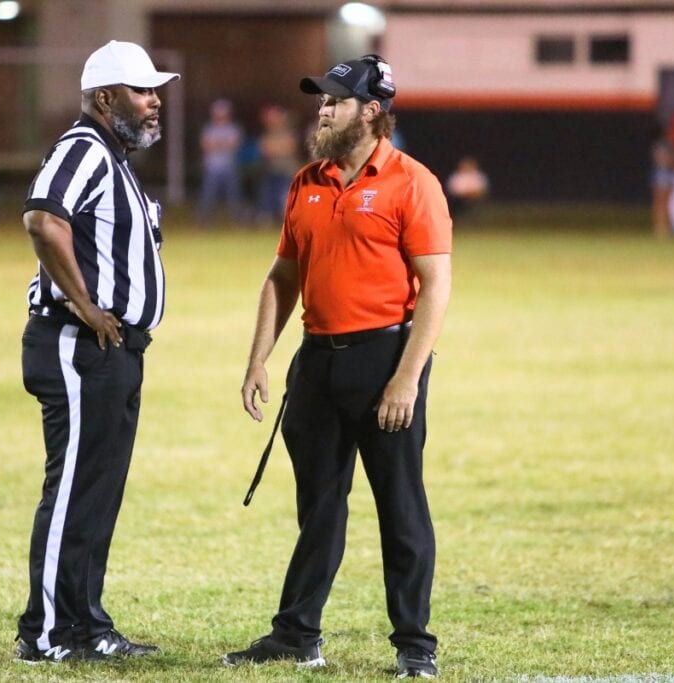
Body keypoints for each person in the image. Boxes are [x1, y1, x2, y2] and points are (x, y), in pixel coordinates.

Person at [224, 54, 453, 680]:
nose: (321, 108)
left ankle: (415, 645)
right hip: (317, 363)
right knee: (318, 506)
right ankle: (297, 635)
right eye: (320, 99)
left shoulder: (413, 182)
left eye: (335, 99)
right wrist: (258, 361)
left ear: (372, 111)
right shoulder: (306, 181)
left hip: (386, 360)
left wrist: (407, 378)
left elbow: (435, 286)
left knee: (401, 507)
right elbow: (283, 275)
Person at [13, 39, 179, 665]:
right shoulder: (83, 148)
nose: (154, 101)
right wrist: (84, 304)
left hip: (112, 351)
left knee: (97, 492)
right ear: (106, 98)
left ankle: (86, 625)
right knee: (75, 490)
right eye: (142, 91)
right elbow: (42, 218)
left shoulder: (113, 157)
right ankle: (47, 632)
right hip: (78, 343)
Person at [197, 98, 244, 225]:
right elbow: (206, 146)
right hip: (212, 168)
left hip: (230, 167)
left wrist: (216, 144)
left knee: (234, 196)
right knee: (207, 196)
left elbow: (234, 145)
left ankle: (237, 221)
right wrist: (223, 144)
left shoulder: (233, 128)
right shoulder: (209, 128)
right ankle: (204, 221)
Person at [255, 103, 301, 226]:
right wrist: (278, 148)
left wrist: (274, 148)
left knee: (285, 196)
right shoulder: (267, 134)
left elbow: (290, 148)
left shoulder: (288, 132)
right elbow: (264, 150)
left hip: (286, 170)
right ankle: (267, 218)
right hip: (271, 170)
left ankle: (287, 220)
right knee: (267, 195)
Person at [650, 130, 674, 239]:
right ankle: (659, 227)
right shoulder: (660, 146)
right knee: (659, 202)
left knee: (667, 203)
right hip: (661, 173)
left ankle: (665, 227)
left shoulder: (670, 146)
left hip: (667, 173)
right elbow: (658, 159)